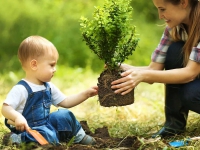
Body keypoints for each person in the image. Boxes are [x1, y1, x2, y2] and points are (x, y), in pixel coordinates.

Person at [111, 0, 200, 138]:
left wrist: (143, 76)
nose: (160, 16)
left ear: (183, 2)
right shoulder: (174, 27)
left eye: (162, 9)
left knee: (191, 94)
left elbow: (190, 73)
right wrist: (127, 69)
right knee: (175, 51)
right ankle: (173, 126)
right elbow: (154, 69)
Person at [1, 36, 98, 145]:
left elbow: (65, 102)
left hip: (45, 124)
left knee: (65, 115)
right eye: (51, 65)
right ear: (34, 65)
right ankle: (15, 139)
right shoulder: (21, 89)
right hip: (29, 129)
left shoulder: (48, 86)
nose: (55, 69)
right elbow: (5, 108)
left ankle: (79, 137)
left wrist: (86, 94)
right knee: (48, 135)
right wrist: (17, 117)